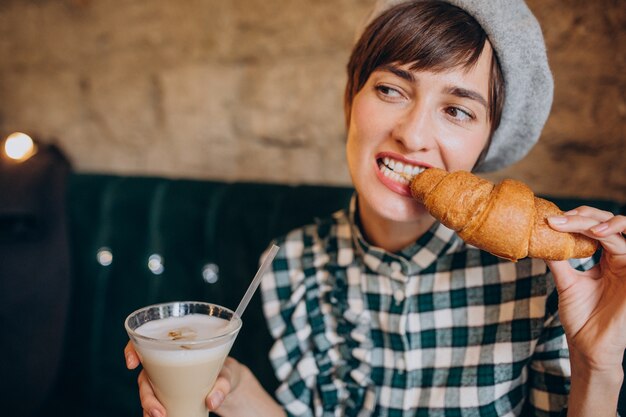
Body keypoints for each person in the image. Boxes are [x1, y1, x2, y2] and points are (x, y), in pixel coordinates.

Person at [125, 0, 626, 416]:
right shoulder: (292, 264)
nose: (411, 133)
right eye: (390, 89)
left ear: (487, 140)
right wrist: (228, 388)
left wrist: (597, 369)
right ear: (351, 100)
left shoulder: (551, 281)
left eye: (457, 109)